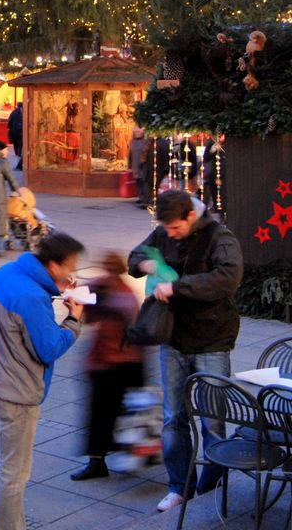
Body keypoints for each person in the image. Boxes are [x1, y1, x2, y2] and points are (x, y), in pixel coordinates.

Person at [127, 189, 242, 513]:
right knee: (172, 418)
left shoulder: (220, 237)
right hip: (173, 338)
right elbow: (135, 257)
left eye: (175, 228)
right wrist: (147, 263)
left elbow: (227, 278)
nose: (170, 234)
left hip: (211, 340)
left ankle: (210, 485)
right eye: (166, 229)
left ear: (191, 216)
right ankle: (180, 486)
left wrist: (177, 287)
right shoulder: (165, 230)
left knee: (212, 421)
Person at [0, 233, 85, 530]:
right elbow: (49, 348)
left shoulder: (7, 273)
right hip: (16, 393)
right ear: (52, 265)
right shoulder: (32, 298)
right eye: (69, 268)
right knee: (15, 473)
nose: (71, 274)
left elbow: (14, 324)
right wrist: (73, 319)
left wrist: (56, 291)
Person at [70, 253, 142, 482]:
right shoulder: (103, 286)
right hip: (106, 364)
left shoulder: (124, 295)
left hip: (121, 364)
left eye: (111, 267)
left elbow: (132, 327)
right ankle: (101, 461)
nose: (108, 271)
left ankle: (111, 460)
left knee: (112, 414)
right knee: (104, 415)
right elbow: (85, 311)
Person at [127, 128, 149, 208]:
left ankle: (144, 198)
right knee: (138, 182)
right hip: (135, 165)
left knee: (143, 181)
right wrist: (129, 165)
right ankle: (140, 197)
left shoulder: (146, 141)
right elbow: (130, 154)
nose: (137, 133)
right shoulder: (132, 141)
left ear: (142, 132)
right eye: (135, 132)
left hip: (143, 165)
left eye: (139, 132)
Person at [7, 103, 24, 170]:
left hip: (14, 130)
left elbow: (10, 121)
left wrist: (9, 127)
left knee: (15, 142)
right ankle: (19, 153)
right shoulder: (24, 111)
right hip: (21, 131)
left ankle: (17, 153)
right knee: (20, 143)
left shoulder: (13, 112)